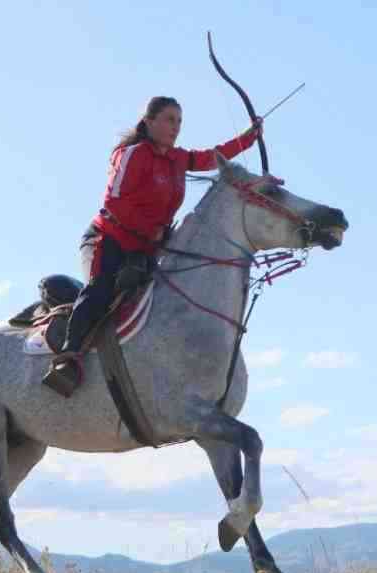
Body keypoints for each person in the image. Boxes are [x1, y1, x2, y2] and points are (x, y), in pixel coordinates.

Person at [43, 96, 262, 396]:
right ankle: (67, 359)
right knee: (101, 289)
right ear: (149, 121)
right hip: (108, 239)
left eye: (180, 121)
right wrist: (153, 232)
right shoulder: (132, 154)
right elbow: (115, 202)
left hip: (145, 249)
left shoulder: (178, 158)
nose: (176, 127)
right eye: (170, 119)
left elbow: (214, 157)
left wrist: (250, 138)